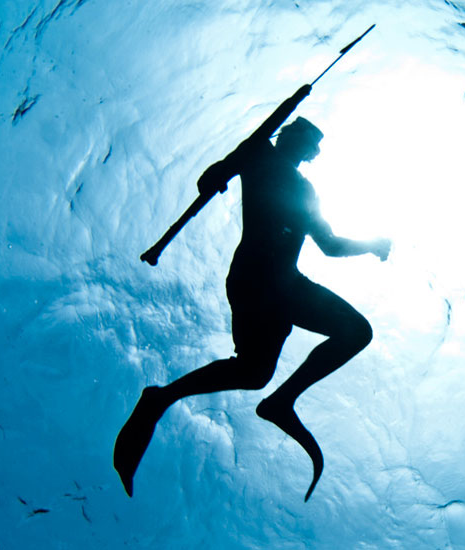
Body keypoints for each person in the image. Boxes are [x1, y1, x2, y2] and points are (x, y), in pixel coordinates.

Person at [114, 85, 391, 501]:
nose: (308, 149)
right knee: (337, 338)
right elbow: (210, 176)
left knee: (258, 371)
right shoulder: (259, 154)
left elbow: (330, 245)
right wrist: (219, 174)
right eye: (304, 139)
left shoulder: (305, 189)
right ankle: (182, 399)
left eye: (312, 147)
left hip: (283, 284)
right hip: (257, 278)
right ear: (287, 134)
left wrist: (370, 244)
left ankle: (242, 401)